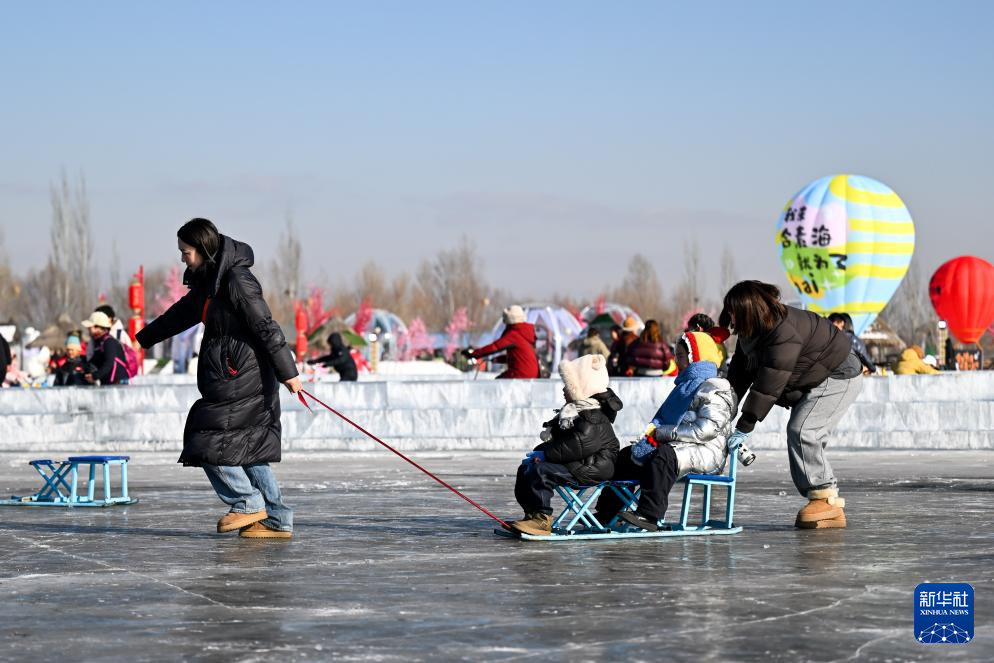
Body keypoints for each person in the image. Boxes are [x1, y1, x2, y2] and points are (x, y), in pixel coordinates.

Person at [136, 218, 301, 539]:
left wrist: (288, 372)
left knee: (207, 440)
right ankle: (276, 519)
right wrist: (143, 338)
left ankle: (247, 502)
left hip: (242, 374)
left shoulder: (237, 280)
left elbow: (265, 325)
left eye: (186, 252)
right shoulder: (211, 281)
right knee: (247, 447)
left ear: (204, 249)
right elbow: (180, 314)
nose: (182, 258)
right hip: (233, 372)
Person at [720, 281, 862, 529]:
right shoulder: (751, 334)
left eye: (733, 309)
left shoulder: (783, 330)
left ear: (748, 310)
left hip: (838, 372)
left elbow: (771, 379)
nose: (730, 315)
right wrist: (722, 413)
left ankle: (825, 498)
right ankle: (826, 504)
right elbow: (739, 377)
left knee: (804, 430)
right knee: (802, 431)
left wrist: (746, 423)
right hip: (815, 374)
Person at [595, 331, 738, 530]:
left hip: (708, 451)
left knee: (664, 457)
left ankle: (649, 514)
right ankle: (606, 512)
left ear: (696, 358)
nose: (676, 361)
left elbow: (707, 429)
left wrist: (666, 433)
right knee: (628, 456)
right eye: (676, 355)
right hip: (681, 444)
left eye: (681, 356)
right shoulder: (684, 387)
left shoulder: (714, 388)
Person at [509, 354, 622, 536]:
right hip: (579, 462)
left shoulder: (593, 417)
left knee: (541, 470)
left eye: (568, 386)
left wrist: (546, 455)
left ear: (581, 389)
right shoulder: (576, 412)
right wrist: (541, 452)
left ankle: (542, 520)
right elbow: (564, 445)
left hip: (593, 467)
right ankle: (532, 514)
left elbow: (577, 445)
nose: (563, 389)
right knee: (526, 468)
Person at [463, 305, 539, 379]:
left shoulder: (514, 334)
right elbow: (520, 357)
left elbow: (495, 347)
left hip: (522, 373)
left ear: (509, 320)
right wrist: (498, 359)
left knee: (498, 384)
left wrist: (474, 354)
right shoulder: (524, 332)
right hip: (533, 372)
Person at [82, 311, 130, 385]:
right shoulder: (99, 342)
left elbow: (109, 363)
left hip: (117, 382)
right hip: (109, 381)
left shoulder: (109, 342)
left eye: (90, 327)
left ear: (98, 327)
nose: (88, 330)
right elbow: (95, 360)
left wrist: (95, 376)